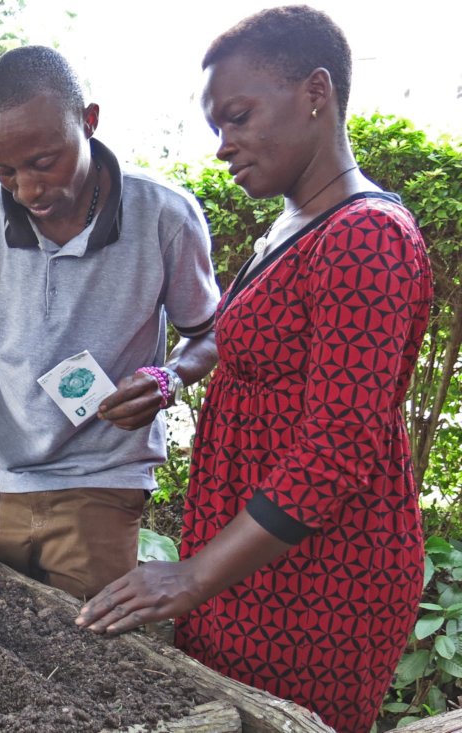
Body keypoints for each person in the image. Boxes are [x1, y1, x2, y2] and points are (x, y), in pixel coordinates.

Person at [75, 7, 433, 733]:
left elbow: (336, 449)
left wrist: (192, 574)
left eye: (237, 117)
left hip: (319, 584)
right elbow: (242, 353)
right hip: (249, 569)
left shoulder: (365, 237)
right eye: (216, 127)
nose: (222, 147)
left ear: (315, 93)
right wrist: (171, 377)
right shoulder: (294, 225)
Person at [0, 45, 220, 600]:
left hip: (104, 483)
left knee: (90, 663)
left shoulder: (164, 215)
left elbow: (207, 333)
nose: (27, 189)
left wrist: (169, 379)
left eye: (43, 162)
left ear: (89, 122)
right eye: (5, 171)